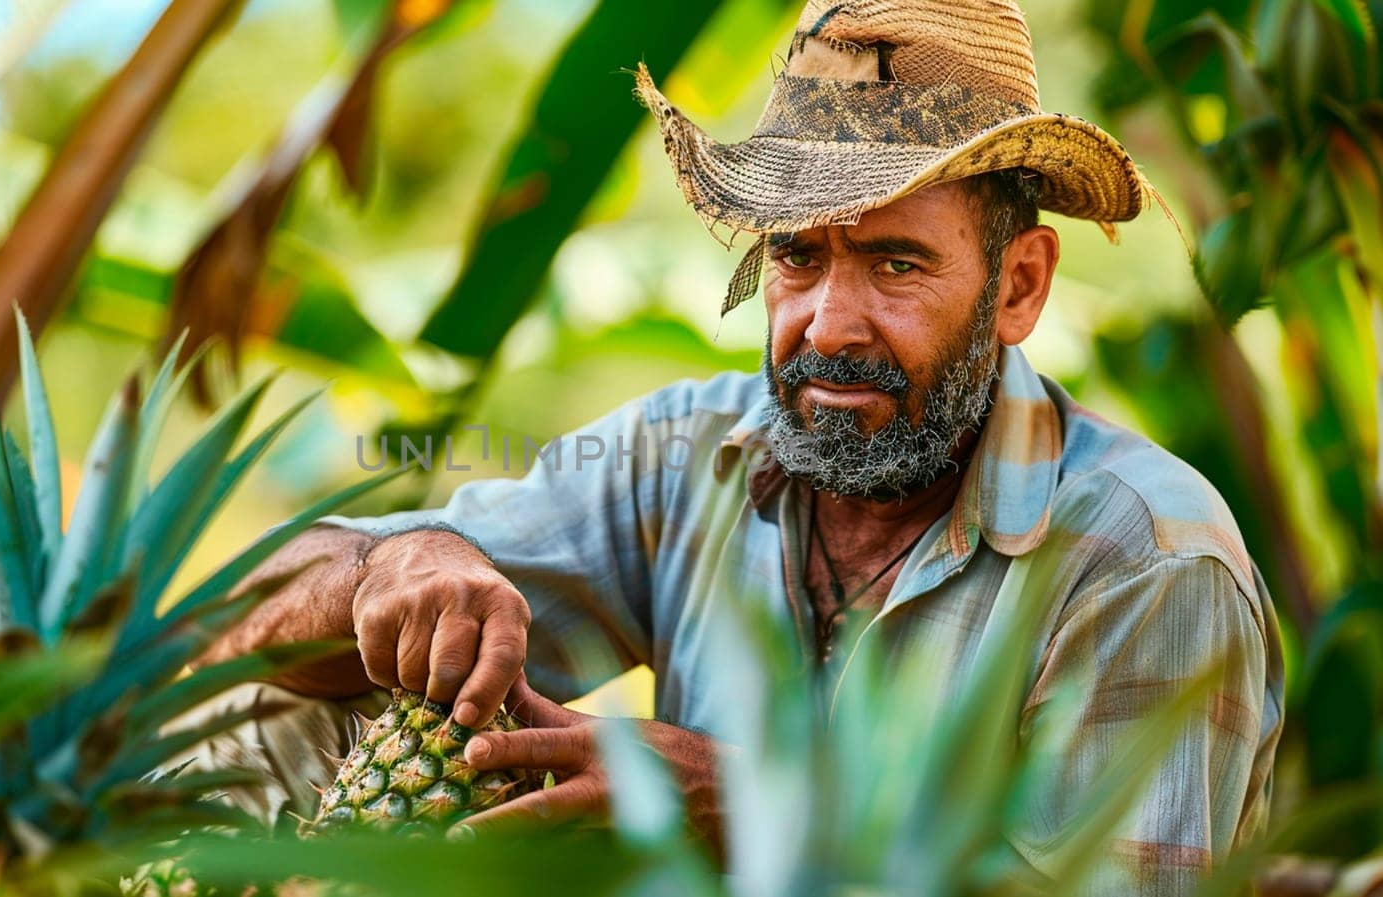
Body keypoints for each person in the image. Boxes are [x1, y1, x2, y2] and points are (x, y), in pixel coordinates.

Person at [197, 0, 1283, 889]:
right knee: (283, 717)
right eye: (798, 256)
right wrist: (395, 565)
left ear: (1019, 286)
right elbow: (248, 615)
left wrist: (773, 815)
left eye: (897, 264)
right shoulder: (691, 454)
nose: (827, 323)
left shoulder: (1148, 559)